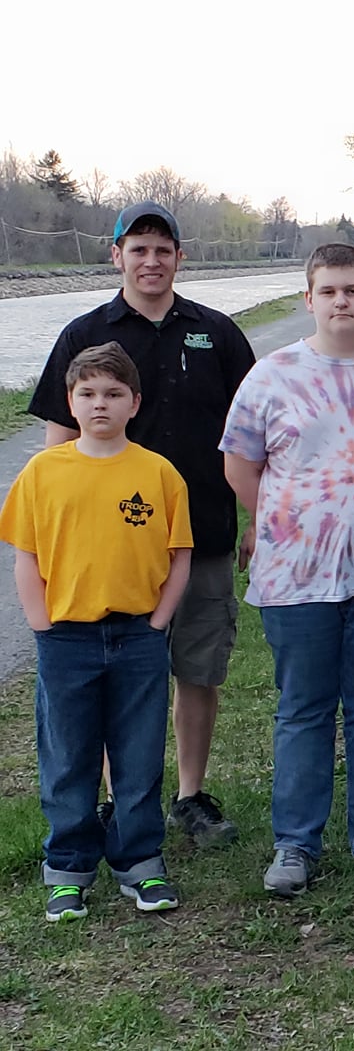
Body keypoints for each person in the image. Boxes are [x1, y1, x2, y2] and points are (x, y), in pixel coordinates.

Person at [28, 200, 255, 846]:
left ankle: (189, 795)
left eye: (163, 249)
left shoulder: (216, 332)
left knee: (198, 667)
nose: (151, 260)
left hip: (203, 535)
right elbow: (57, 445)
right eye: (138, 248)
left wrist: (254, 519)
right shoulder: (85, 335)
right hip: (111, 550)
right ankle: (116, 799)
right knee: (118, 674)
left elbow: (254, 434)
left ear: (180, 258)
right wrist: (55, 535)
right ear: (117, 255)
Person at [222, 244, 354, 898]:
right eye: (328, 290)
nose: (341, 301)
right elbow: (240, 462)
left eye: (352, 289)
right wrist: (278, 525)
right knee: (303, 711)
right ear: (308, 298)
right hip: (296, 579)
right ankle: (295, 845)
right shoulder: (271, 377)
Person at [2, 343, 192, 921]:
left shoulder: (157, 473)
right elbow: (26, 556)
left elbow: (178, 554)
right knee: (68, 754)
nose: (100, 404)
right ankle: (69, 866)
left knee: (137, 753)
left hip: (137, 636)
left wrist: (158, 621)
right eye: (87, 394)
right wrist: (41, 622)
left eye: (112, 394)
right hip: (66, 638)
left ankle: (139, 863)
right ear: (70, 401)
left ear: (134, 403)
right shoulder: (43, 472)